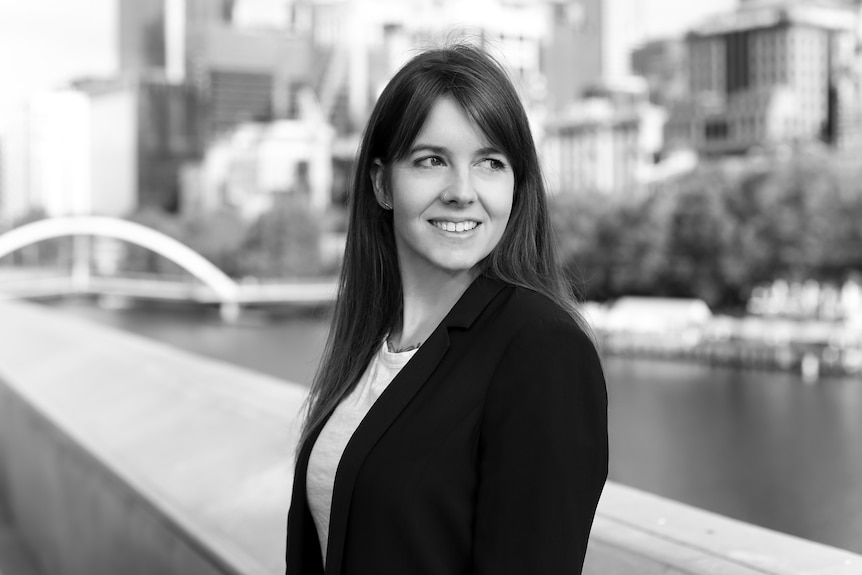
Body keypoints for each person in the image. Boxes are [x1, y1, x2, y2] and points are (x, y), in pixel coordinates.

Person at [286, 43, 608, 575]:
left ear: (515, 186)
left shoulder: (541, 348)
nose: (462, 192)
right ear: (382, 182)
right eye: (432, 160)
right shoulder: (372, 342)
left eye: (490, 163)